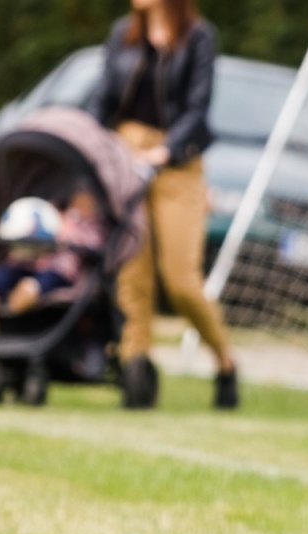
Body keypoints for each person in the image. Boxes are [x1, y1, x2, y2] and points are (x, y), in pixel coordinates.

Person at [87, 0, 239, 410]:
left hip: (177, 164)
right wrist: (94, 145)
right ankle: (136, 369)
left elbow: (197, 108)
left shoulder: (199, 37)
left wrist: (164, 151)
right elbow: (102, 100)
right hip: (125, 159)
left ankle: (225, 362)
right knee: (131, 273)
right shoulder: (123, 34)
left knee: (180, 279)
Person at [0, 191, 105, 316]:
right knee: (5, 269)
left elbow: (93, 244)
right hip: (28, 261)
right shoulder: (52, 211)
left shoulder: (91, 225)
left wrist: (66, 236)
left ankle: (31, 290)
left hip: (59, 266)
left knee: (51, 276)